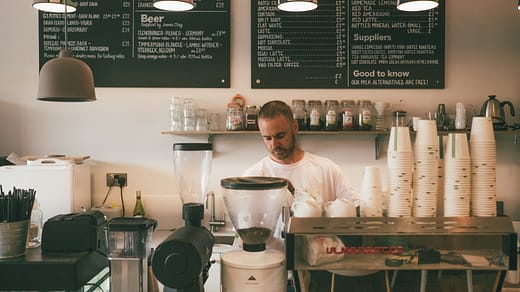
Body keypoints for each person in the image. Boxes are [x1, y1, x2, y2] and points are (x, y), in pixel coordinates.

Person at [243, 100, 386, 292]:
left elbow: (357, 209)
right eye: (267, 138)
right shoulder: (253, 176)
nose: (274, 144)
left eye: (280, 135)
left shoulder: (326, 169)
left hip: (321, 271)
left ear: (295, 127)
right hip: (273, 272)